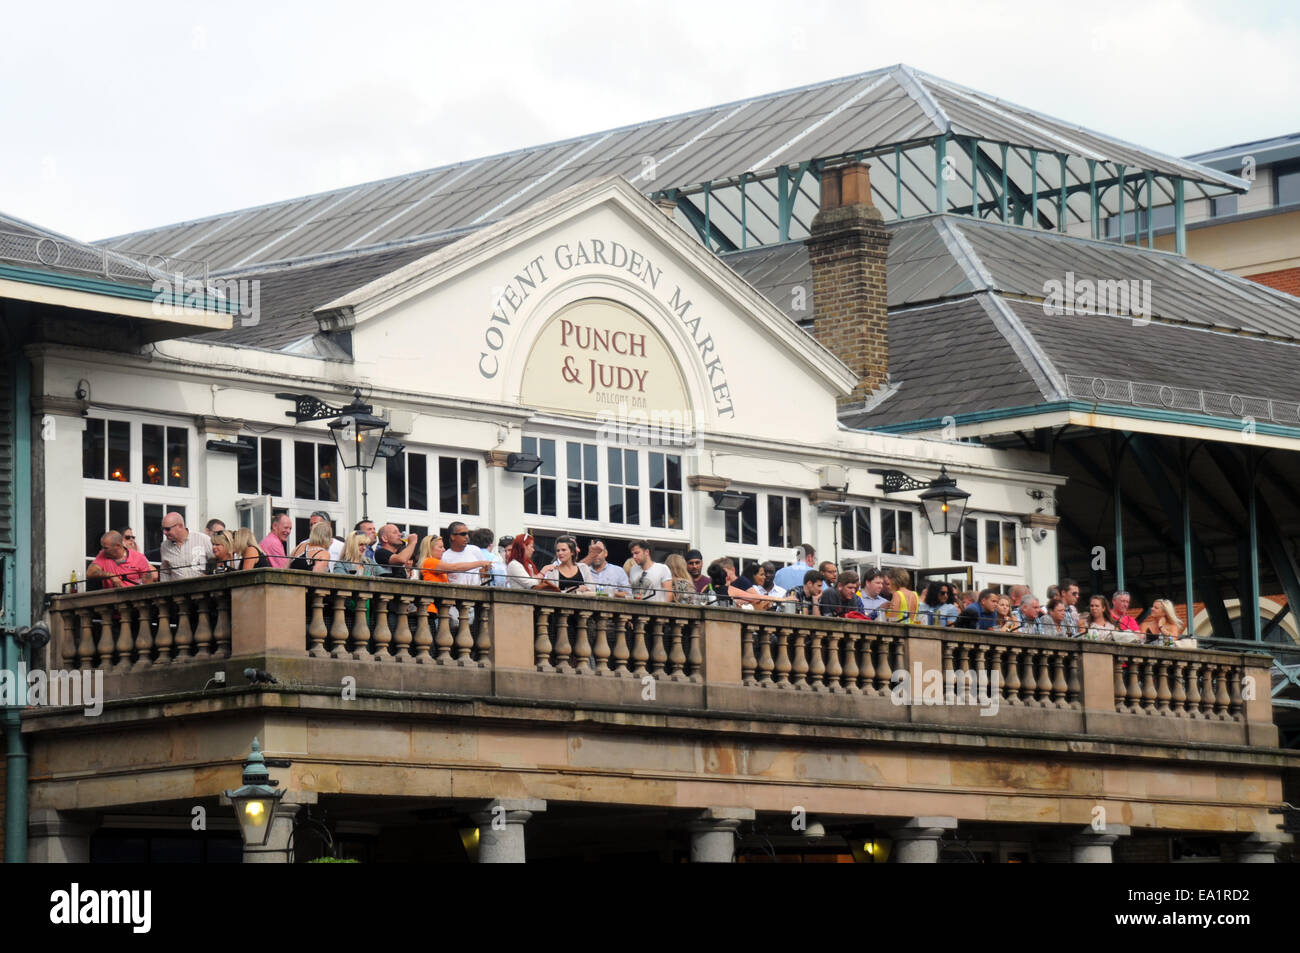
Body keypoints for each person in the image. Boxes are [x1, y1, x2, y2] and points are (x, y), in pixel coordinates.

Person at [86, 530, 156, 587]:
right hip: (111, 599)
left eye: (106, 548)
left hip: (134, 599)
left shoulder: (138, 557)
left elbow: (148, 584)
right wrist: (110, 575)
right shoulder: (103, 554)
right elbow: (90, 573)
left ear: (118, 546)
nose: (102, 550)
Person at [159, 512, 213, 582]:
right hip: (178, 591)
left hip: (202, 589)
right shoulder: (164, 546)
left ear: (180, 526)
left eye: (167, 529)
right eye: (162, 529)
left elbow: (217, 561)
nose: (164, 532)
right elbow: (165, 572)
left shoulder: (203, 539)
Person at [442, 521, 490, 586]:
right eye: (463, 534)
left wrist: (485, 571)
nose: (467, 537)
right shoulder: (445, 557)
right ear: (452, 536)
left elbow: (484, 575)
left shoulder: (475, 550)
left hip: (478, 591)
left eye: (468, 534)